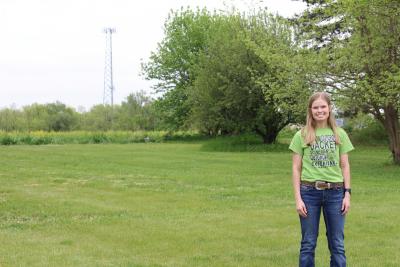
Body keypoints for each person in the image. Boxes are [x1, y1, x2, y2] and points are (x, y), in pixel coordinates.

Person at [289, 92, 354, 267]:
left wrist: (347, 194)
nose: (320, 110)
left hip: (336, 194)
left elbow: (345, 165)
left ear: (329, 108)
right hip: (309, 194)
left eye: (323, 107)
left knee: (337, 244)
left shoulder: (339, 134)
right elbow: (296, 168)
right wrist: (298, 199)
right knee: (308, 243)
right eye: (316, 107)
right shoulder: (301, 135)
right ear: (310, 110)